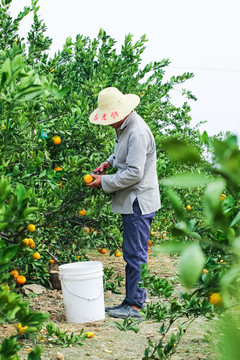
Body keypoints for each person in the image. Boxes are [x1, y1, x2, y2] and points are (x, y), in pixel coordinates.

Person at [87, 87, 161, 319]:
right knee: (132, 252)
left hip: (138, 201)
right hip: (132, 200)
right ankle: (131, 300)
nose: (108, 122)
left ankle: (135, 305)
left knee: (135, 254)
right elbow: (123, 154)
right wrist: (109, 162)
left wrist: (104, 182)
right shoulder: (125, 126)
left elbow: (134, 173)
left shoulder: (137, 132)